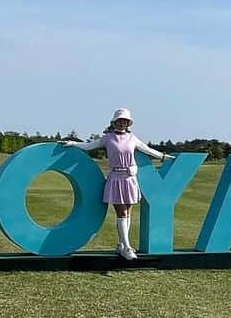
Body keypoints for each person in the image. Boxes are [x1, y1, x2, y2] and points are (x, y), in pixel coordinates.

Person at [61, 108, 173, 260]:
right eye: (119, 120)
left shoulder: (132, 138)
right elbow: (89, 146)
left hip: (130, 179)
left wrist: (163, 156)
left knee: (128, 213)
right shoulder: (108, 138)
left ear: (128, 123)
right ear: (114, 122)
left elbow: (147, 150)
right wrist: (73, 143)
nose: (122, 123)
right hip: (116, 178)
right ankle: (127, 247)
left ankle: (122, 245)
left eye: (125, 121)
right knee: (122, 213)